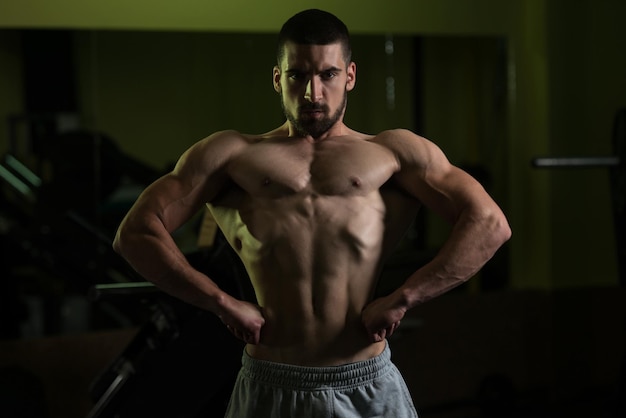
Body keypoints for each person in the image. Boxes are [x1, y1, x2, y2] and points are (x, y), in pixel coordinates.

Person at [113, 8, 511, 418]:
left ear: (350, 76)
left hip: (367, 382)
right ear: (276, 78)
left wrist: (404, 298)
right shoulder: (231, 156)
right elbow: (136, 233)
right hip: (271, 381)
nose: (313, 93)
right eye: (297, 75)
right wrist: (219, 302)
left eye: (328, 75)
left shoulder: (394, 153)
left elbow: (489, 223)